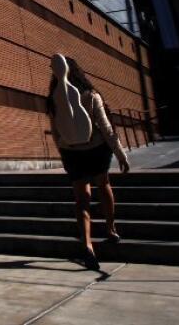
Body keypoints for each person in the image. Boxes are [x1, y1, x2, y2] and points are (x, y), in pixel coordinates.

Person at [47, 54, 130, 271]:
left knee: (81, 199)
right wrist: (121, 155)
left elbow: (56, 134)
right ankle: (111, 229)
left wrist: (64, 155)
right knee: (103, 186)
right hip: (96, 150)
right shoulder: (91, 95)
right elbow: (106, 128)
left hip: (72, 153)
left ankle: (87, 245)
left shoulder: (53, 100)